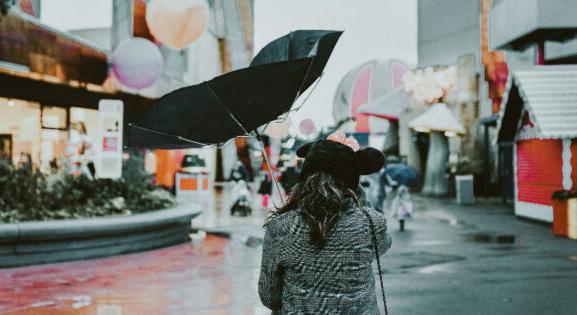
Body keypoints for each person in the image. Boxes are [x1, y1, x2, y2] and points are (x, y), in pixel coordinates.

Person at [258, 132, 391, 314]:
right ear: (351, 182)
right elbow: (383, 245)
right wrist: (356, 190)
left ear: (303, 179)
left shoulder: (281, 227)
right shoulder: (371, 223)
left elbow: (269, 297)